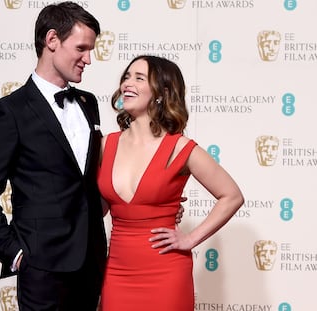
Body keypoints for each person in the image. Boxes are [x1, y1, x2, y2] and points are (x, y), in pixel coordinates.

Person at [0, 2, 107, 310]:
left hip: (92, 262)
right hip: (42, 268)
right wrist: (16, 254)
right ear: (52, 40)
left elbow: (92, 180)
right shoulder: (8, 111)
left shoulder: (88, 103)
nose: (88, 59)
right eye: (82, 48)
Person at [97, 55, 244, 311]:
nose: (127, 83)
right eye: (126, 77)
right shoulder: (104, 145)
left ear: (161, 93)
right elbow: (97, 209)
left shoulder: (180, 148)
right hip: (117, 272)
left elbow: (231, 195)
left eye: (139, 78)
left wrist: (190, 239)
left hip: (166, 272)